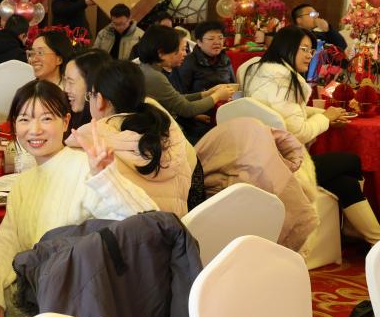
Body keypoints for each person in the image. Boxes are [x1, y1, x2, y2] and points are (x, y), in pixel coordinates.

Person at [0, 80, 156, 317]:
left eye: (46, 118)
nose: (34, 130)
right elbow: (6, 241)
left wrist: (106, 178)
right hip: (37, 296)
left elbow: (147, 221)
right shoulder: (24, 183)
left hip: (76, 306)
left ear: (66, 121)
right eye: (24, 119)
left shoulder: (84, 167)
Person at [243, 25, 380, 242]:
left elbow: (284, 112)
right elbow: (299, 132)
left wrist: (325, 114)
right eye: (304, 49)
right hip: (287, 166)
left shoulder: (261, 72)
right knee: (352, 161)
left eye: (311, 50)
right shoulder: (286, 82)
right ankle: (361, 234)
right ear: (287, 48)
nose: (310, 55)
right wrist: (325, 119)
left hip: (260, 158)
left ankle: (372, 239)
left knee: (345, 182)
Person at [70, 59, 192, 217]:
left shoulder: (88, 141)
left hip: (130, 231)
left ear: (99, 100)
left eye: (90, 96)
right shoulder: (167, 129)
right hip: (177, 226)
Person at [135, 25, 235, 144]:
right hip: (163, 134)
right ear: (161, 53)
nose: (184, 54)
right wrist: (217, 96)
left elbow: (177, 99)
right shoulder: (154, 76)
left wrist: (206, 94)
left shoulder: (149, 69)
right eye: (180, 49)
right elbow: (187, 109)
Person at [171, 20, 236, 95]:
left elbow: (233, 85)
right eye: (211, 39)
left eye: (220, 38)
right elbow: (182, 93)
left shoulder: (225, 59)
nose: (217, 42)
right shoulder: (187, 61)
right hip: (200, 101)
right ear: (199, 42)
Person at [63, 48, 113, 131]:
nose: (66, 89)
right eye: (65, 81)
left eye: (71, 82)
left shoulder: (107, 129)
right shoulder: (66, 116)